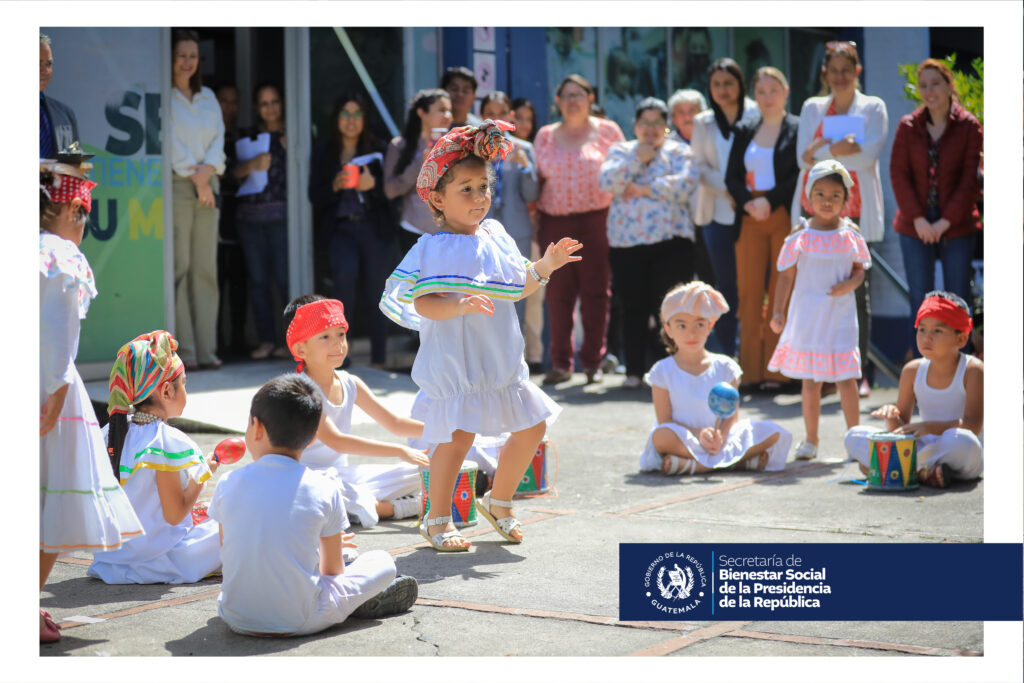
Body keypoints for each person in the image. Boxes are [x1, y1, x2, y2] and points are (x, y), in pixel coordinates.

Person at [380, 120, 582, 551]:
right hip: (460, 364)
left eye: (483, 187)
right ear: (437, 198)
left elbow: (516, 285)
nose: (478, 198)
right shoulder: (434, 248)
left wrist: (545, 266)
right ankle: (436, 519)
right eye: (465, 189)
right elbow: (422, 301)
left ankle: (501, 501)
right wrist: (459, 305)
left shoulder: (496, 236)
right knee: (458, 438)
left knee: (533, 426)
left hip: (500, 359)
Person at [208, 374, 418, 636]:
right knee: (382, 561)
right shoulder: (324, 487)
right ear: (310, 439)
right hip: (301, 621)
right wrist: (323, 551)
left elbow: (228, 553)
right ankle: (357, 604)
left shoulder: (227, 482)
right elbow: (333, 572)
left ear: (257, 427)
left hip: (234, 616)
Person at [39, 158, 143, 642]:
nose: (82, 224)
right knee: (51, 499)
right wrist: (57, 389)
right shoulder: (59, 255)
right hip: (46, 388)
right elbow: (60, 332)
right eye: (80, 212)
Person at [792, 41, 888, 398]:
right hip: (816, 211)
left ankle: (856, 372)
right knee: (816, 290)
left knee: (855, 290)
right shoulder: (812, 107)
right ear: (825, 73)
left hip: (857, 212)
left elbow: (867, 158)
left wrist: (821, 148)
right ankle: (819, 373)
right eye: (833, 70)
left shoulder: (873, 106)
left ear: (857, 71)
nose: (840, 76)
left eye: (847, 69)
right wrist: (841, 149)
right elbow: (804, 162)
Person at [285, 295, 430, 528]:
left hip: (345, 476)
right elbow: (337, 441)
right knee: (326, 494)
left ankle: (376, 506)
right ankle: (395, 508)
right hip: (308, 480)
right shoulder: (299, 390)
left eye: (341, 334)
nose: (337, 344)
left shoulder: (350, 382)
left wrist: (447, 429)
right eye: (325, 336)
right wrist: (400, 450)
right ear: (300, 349)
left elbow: (394, 423)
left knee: (422, 470)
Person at [88, 331, 221, 584]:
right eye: (185, 382)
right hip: (161, 559)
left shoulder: (111, 433)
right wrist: (201, 479)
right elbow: (174, 515)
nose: (186, 389)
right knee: (233, 525)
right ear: (167, 391)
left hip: (111, 558)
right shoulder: (164, 442)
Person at [767, 161, 870, 460]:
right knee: (811, 380)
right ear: (808, 197)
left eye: (835, 195)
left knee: (846, 377)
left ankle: (855, 439)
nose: (827, 201)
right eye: (820, 193)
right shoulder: (800, 235)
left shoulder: (850, 234)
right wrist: (778, 311)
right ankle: (811, 440)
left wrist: (849, 284)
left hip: (839, 314)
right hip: (808, 314)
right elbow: (786, 275)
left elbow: (859, 270)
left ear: (846, 200)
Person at [639, 282, 792, 475]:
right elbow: (665, 420)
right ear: (668, 329)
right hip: (687, 438)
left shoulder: (726, 367)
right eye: (681, 325)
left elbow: (731, 415)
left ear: (711, 325)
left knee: (772, 431)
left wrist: (721, 435)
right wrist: (700, 434)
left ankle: (696, 465)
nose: (691, 333)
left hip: (721, 439)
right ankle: (735, 463)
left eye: (700, 324)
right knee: (661, 436)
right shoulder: (662, 371)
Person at [599, 97, 698, 389]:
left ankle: (673, 369)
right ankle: (634, 371)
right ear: (636, 126)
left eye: (658, 123)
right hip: (627, 244)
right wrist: (636, 160)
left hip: (672, 242)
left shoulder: (679, 151)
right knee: (634, 306)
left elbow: (684, 186)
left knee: (669, 307)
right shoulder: (621, 151)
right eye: (645, 123)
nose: (651, 130)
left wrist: (641, 188)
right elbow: (608, 183)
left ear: (666, 127)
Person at [533, 75, 625, 385]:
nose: (573, 100)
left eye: (579, 94)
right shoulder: (545, 136)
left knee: (596, 293)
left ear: (590, 98)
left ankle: (592, 362)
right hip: (555, 222)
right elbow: (536, 182)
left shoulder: (609, 131)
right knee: (558, 294)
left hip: (597, 220)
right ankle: (560, 363)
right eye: (567, 95)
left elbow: (622, 173)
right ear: (558, 101)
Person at [844, 291, 982, 489]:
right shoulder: (912, 370)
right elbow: (901, 429)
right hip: (921, 447)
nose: (927, 337)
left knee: (963, 441)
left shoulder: (973, 369)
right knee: (854, 436)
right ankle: (924, 472)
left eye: (937, 331)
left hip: (960, 452)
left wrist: (930, 428)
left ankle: (898, 468)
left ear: (960, 339)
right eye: (922, 329)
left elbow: (973, 426)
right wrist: (891, 417)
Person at [890, 59, 983, 351]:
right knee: (921, 298)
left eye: (936, 83)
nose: (929, 91)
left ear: (949, 85)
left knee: (958, 296)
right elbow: (898, 174)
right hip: (914, 223)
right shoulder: (908, 126)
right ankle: (920, 374)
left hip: (956, 223)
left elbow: (971, 179)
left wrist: (945, 222)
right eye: (924, 85)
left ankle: (964, 377)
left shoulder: (969, 126)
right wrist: (918, 219)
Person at [724, 66, 800, 390]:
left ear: (785, 91)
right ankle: (752, 373)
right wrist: (747, 202)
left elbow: (798, 173)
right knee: (750, 291)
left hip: (781, 212)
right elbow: (731, 176)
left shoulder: (798, 127)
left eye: (773, 90)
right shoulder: (744, 128)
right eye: (761, 91)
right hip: (750, 216)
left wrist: (770, 200)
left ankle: (780, 373)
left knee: (782, 289)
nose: (767, 97)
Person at [309, 92, 397, 368]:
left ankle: (379, 357)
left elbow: (392, 193)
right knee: (342, 286)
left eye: (356, 114)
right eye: (345, 114)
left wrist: (372, 188)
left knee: (377, 291)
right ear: (336, 119)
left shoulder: (380, 148)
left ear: (365, 119)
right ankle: (340, 357)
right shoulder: (324, 151)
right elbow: (314, 195)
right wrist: (334, 187)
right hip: (341, 230)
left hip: (373, 227)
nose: (351, 120)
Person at [690, 58, 760, 358]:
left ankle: (756, 356)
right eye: (716, 84)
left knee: (754, 285)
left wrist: (741, 192)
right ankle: (727, 354)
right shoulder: (702, 121)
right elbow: (698, 167)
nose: (722, 89)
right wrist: (729, 188)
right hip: (717, 213)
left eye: (728, 83)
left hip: (754, 211)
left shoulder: (758, 114)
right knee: (725, 286)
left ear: (741, 85)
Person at [170, 29, 226, 370]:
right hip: (178, 187)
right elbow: (169, 142)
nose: (188, 61)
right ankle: (186, 353)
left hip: (209, 185)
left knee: (206, 270)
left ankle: (207, 351)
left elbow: (219, 138)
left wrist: (207, 173)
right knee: (180, 269)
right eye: (181, 55)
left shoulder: (208, 98)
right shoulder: (163, 97)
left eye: (193, 55)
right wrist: (197, 175)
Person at [232, 82, 290, 361]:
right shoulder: (246, 136)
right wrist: (252, 164)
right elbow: (231, 173)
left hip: (282, 218)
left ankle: (291, 341)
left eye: (275, 102)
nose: (271, 108)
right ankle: (267, 339)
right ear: (257, 107)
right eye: (264, 103)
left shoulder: (294, 133)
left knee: (284, 279)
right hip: (250, 219)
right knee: (258, 282)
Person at [480, 92, 539, 340]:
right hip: (482, 230)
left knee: (518, 293)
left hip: (516, 231)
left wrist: (526, 167)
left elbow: (532, 193)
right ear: (482, 116)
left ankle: (516, 357)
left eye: (502, 113)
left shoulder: (523, 147)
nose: (496, 119)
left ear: (510, 116)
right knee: (483, 292)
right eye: (490, 113)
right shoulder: (475, 148)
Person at [384, 88, 453, 254]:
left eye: (450, 111)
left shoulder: (456, 145)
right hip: (412, 231)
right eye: (442, 110)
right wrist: (420, 164)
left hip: (449, 232)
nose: (448, 116)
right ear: (421, 112)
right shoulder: (400, 146)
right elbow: (390, 191)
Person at [214, 82, 249, 359]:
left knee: (239, 284)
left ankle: (238, 340)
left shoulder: (244, 137)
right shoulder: (210, 136)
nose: (229, 107)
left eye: (234, 101)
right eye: (223, 100)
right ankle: (215, 342)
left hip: (240, 218)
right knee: (215, 282)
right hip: (213, 215)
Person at [510, 96, 545, 372]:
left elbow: (533, 193)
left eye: (527, 119)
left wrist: (524, 165)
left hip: (526, 232)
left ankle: (529, 357)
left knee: (529, 298)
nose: (521, 124)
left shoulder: (528, 150)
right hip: (491, 232)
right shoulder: (484, 148)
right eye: (515, 118)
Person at [39, 34, 79, 159]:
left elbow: (77, 167)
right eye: (37, 63)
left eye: (48, 64)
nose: (44, 70)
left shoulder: (65, 114)